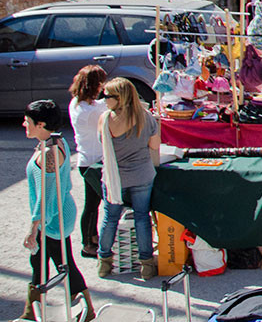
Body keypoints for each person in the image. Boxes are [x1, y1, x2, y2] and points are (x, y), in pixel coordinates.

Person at [22, 100, 95, 321]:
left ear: (41, 124)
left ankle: (33, 313)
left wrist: (33, 228)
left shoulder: (49, 154)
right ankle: (30, 312)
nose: (24, 124)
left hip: (53, 217)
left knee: (62, 263)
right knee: (42, 261)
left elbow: (48, 198)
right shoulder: (54, 141)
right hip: (56, 214)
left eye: (28, 121)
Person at [95, 77, 161, 280]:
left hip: (115, 177)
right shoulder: (145, 117)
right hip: (142, 174)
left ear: (119, 98)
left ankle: (104, 262)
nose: (103, 100)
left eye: (106, 96)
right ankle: (147, 264)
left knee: (110, 218)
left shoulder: (106, 119)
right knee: (143, 218)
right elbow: (155, 146)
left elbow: (101, 144)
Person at [68, 65, 108, 257]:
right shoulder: (94, 110)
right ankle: (87, 243)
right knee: (93, 204)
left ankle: (92, 238)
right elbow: (108, 108)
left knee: (93, 203)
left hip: (86, 158)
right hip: (94, 161)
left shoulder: (76, 103)